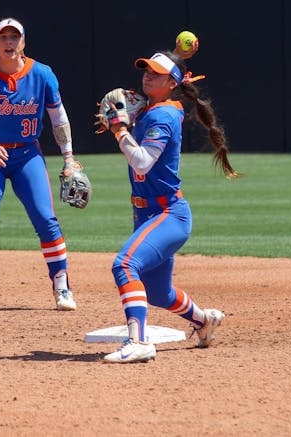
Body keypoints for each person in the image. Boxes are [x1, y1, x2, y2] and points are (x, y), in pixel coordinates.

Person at [95, 48, 238, 363]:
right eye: (146, 69)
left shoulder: (163, 115)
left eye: (157, 73)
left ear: (173, 83)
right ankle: (204, 320)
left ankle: (139, 342)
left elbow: (143, 162)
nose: (148, 74)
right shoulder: (153, 111)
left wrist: (120, 130)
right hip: (148, 212)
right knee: (159, 293)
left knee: (124, 265)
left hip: (167, 214)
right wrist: (128, 123)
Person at [0, 17, 82, 311]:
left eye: (15, 37)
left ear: (23, 43)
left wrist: (69, 158)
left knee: (45, 217)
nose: (9, 43)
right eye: (4, 38)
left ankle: (61, 285)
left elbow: (59, 119)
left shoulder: (42, 75)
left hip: (27, 154)